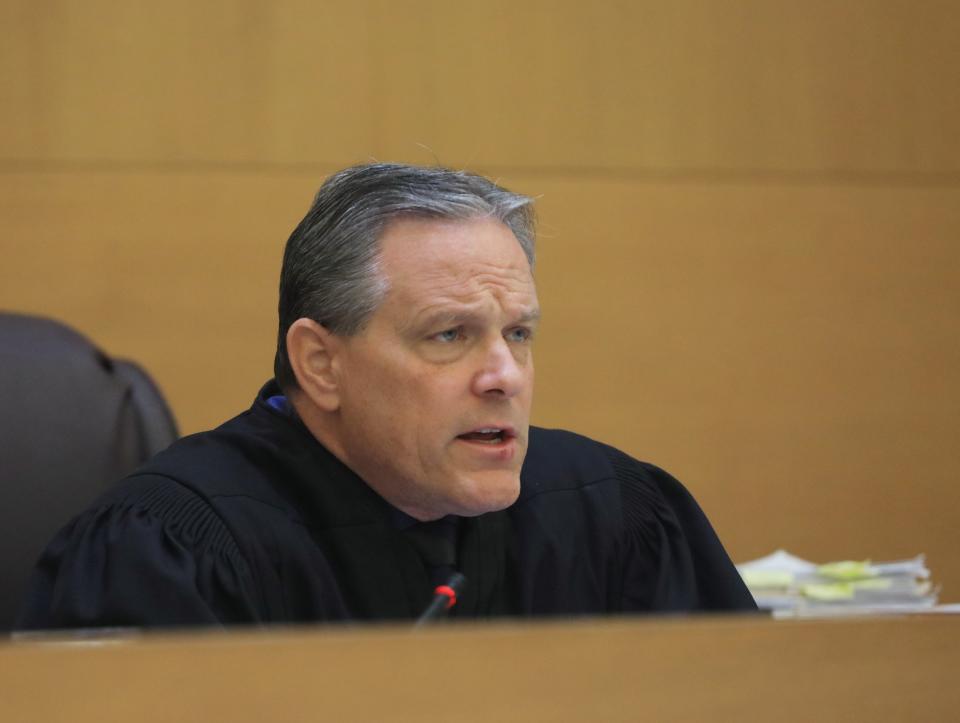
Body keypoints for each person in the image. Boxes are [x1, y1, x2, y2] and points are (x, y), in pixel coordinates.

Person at [17, 163, 755, 629]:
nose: (504, 374)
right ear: (320, 364)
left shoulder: (616, 516)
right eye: (449, 335)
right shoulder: (173, 549)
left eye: (519, 333)